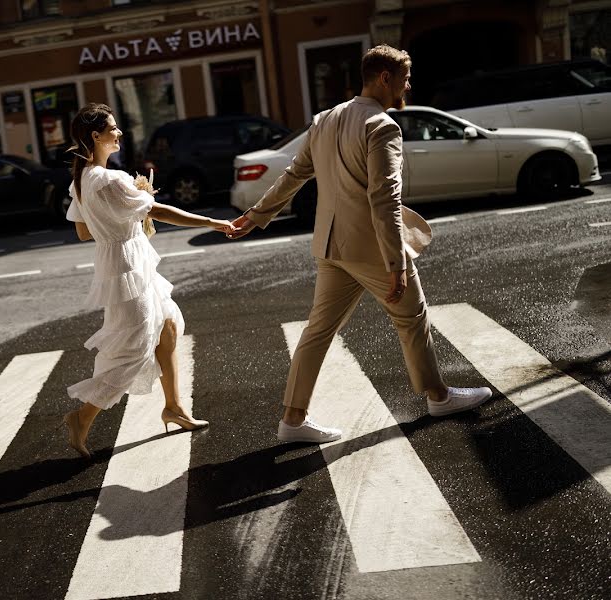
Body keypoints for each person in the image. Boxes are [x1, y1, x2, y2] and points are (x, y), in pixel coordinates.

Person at [228, 45, 493, 444]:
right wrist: (396, 262)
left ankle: (293, 420)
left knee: (317, 331)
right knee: (412, 318)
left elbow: (295, 174)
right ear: (384, 78)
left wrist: (257, 214)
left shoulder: (325, 119)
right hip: (370, 249)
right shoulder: (382, 126)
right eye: (405, 76)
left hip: (331, 247)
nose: (409, 83)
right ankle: (439, 396)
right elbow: (383, 197)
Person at [63, 103, 234, 458]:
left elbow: (83, 231)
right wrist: (211, 222)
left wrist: (119, 219)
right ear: (96, 136)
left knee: (168, 325)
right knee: (134, 349)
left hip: (125, 261)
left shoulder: (82, 180)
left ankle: (173, 407)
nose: (119, 133)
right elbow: (158, 211)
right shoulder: (111, 179)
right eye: (113, 129)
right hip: (127, 266)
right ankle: (82, 416)